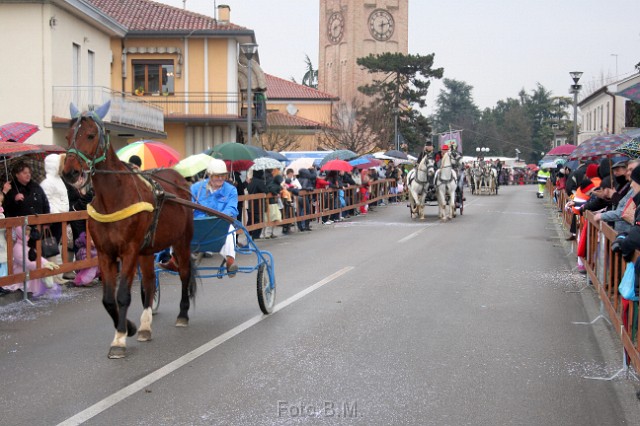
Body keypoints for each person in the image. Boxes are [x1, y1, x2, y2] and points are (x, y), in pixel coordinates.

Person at [3, 226, 61, 297]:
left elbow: (37, 257)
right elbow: (28, 263)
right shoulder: (18, 248)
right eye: (25, 230)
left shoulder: (27, 245)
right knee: (34, 272)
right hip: (21, 273)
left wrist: (47, 263)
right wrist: (43, 266)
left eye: (28, 230)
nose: (27, 232)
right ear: (20, 232)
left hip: (30, 271)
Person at [39, 154, 69, 283]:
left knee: (56, 247)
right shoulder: (47, 182)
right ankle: (51, 276)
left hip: (61, 219)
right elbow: (47, 201)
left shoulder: (59, 180)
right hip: (54, 220)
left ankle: (57, 276)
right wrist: (56, 213)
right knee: (50, 248)